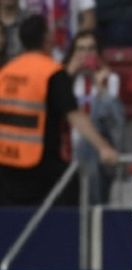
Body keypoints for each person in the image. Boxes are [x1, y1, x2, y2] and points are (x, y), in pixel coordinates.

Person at [0, 14, 117, 206]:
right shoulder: (51, 72)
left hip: (5, 164)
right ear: (47, 38)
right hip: (38, 164)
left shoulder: (6, 72)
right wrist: (103, 147)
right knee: (68, 198)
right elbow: (75, 115)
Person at [64, 29, 125, 205]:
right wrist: (68, 75)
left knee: (106, 106)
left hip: (99, 149)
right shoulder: (64, 79)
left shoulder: (110, 79)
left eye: (91, 49)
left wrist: (101, 88)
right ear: (73, 53)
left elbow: (113, 121)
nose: (86, 54)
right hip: (68, 147)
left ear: (98, 53)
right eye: (81, 49)